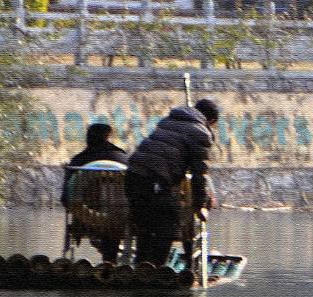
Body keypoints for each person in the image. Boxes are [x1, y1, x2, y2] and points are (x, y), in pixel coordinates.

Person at [126, 99, 219, 268]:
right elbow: (199, 175)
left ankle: (140, 268)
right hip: (155, 179)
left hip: (132, 175)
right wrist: (200, 205)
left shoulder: (169, 121)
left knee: (145, 226)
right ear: (211, 121)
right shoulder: (201, 133)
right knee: (169, 227)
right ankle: (154, 271)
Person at [63, 121, 130, 263]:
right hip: (120, 222)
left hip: (84, 222)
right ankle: (110, 261)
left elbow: (66, 198)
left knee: (102, 220)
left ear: (88, 138)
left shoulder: (78, 161)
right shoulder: (124, 160)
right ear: (109, 138)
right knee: (113, 220)